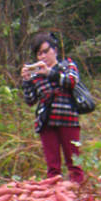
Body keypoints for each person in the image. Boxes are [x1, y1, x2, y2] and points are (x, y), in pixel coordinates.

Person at [21, 32, 85, 184]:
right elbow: (30, 100)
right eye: (39, 54)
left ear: (55, 50)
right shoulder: (36, 74)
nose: (43, 56)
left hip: (67, 118)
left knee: (74, 163)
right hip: (46, 121)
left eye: (45, 51)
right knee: (53, 166)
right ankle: (54, 198)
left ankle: (79, 194)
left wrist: (50, 73)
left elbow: (71, 81)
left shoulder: (67, 65)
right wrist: (26, 80)